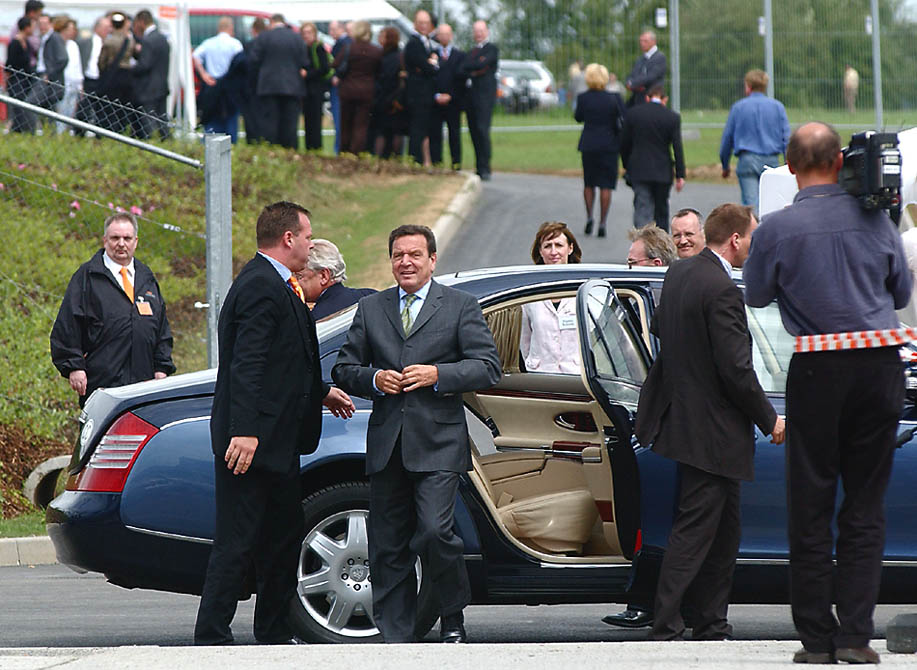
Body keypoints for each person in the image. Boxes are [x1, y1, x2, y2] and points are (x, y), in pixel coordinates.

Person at [743, 122, 912, 665]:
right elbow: (903, 290)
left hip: (817, 366)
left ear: (790, 167)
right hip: (880, 364)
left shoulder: (776, 228)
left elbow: (757, 292)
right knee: (865, 505)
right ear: (841, 163)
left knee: (810, 504)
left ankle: (816, 638)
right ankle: (857, 637)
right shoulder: (878, 218)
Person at [194, 201, 355, 645]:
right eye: (307, 235)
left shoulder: (281, 284)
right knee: (238, 540)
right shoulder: (261, 286)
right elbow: (248, 364)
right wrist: (244, 430)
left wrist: (321, 391)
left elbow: (284, 358)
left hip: (279, 442)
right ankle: (211, 635)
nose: (310, 242)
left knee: (281, 540)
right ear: (288, 239)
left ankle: (273, 632)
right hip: (251, 443)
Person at [332, 224, 501, 644]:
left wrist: (438, 374)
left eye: (414, 255)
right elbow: (344, 369)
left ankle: (452, 615)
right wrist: (374, 379)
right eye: (397, 255)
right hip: (388, 444)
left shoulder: (459, 306)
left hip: (439, 444)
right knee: (387, 544)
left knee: (434, 531)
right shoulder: (372, 309)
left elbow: (488, 367)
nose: (405, 262)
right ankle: (396, 634)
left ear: (432, 260)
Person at [637, 203, 785, 642]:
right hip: (715, 433)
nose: (753, 249)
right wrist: (769, 418)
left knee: (724, 532)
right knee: (696, 530)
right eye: (751, 240)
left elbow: (668, 335)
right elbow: (737, 369)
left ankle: (711, 620)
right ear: (735, 239)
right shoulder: (721, 287)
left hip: (689, 425)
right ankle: (665, 622)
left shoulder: (680, 274)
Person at [50, 213, 175, 407]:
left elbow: (161, 329)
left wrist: (161, 368)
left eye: (127, 238)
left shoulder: (146, 277)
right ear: (105, 240)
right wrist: (74, 367)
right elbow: (68, 325)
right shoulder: (88, 276)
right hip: (102, 384)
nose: (121, 244)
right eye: (115, 238)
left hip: (145, 384)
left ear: (136, 241)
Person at [719, 70, 790, 212]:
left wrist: (725, 164)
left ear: (748, 86)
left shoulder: (738, 107)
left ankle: (752, 232)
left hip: (747, 159)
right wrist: (788, 162)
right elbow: (786, 138)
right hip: (771, 160)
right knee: (771, 204)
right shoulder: (777, 107)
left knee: (750, 205)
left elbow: (727, 138)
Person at [620, 84, 685, 231]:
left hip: (639, 169)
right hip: (663, 171)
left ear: (647, 98)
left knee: (642, 208)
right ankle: (661, 245)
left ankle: (642, 243)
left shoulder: (633, 114)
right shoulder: (672, 117)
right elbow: (677, 147)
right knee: (661, 209)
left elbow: (624, 143)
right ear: (665, 99)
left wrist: (626, 164)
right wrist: (680, 174)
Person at [520, 222, 582, 374]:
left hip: (575, 374)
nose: (553, 252)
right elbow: (524, 339)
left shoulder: (582, 288)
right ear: (540, 251)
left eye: (559, 245)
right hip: (540, 375)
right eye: (548, 246)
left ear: (570, 248)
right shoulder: (529, 291)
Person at [574, 62, 625, 238]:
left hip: (589, 144)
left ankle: (589, 216)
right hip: (609, 144)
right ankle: (603, 222)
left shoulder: (583, 98)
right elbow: (622, 118)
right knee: (606, 185)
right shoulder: (614, 97)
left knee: (589, 183)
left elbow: (578, 117)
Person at [250, 14, 306, 150]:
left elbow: (254, 60)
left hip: (268, 86)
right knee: (290, 123)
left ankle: (271, 152)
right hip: (292, 87)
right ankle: (290, 152)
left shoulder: (264, 37)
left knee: (269, 123)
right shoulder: (296, 37)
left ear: (271, 22)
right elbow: (304, 62)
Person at [297, 239, 376, 320]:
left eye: (299, 277)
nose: (295, 283)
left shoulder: (314, 320)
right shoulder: (370, 296)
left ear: (324, 276)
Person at [193, 17, 244, 142]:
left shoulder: (208, 42)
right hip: (229, 86)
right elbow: (240, 62)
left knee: (211, 118)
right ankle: (231, 145)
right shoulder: (235, 44)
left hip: (212, 84)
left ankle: (209, 144)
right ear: (230, 28)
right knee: (230, 119)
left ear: (219, 28)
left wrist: (204, 74)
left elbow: (195, 56)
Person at [336, 20, 381, 154]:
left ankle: (344, 152)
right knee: (361, 126)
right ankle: (357, 153)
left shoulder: (349, 48)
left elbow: (336, 65)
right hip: (367, 92)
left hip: (348, 91)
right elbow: (379, 71)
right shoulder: (376, 51)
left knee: (346, 124)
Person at [463, 20, 498, 181]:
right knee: (474, 131)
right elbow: (465, 67)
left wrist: (474, 67)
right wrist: (475, 68)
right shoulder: (471, 52)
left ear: (487, 32)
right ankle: (478, 165)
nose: (478, 34)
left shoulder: (492, 49)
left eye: (481, 31)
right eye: (476, 31)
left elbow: (483, 64)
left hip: (485, 97)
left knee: (483, 130)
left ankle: (485, 166)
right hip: (471, 98)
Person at [404, 10, 438, 168]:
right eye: (421, 23)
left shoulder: (428, 42)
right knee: (417, 129)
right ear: (415, 24)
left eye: (426, 23)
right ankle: (415, 161)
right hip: (417, 95)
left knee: (424, 128)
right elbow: (424, 67)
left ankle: (425, 160)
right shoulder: (413, 44)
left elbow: (428, 66)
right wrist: (430, 64)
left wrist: (429, 65)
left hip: (426, 94)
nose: (424, 26)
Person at [22, 13, 67, 132]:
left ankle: (30, 132)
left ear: (51, 24)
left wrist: (49, 74)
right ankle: (49, 135)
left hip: (47, 78)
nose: (42, 26)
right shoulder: (44, 38)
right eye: (40, 24)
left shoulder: (54, 37)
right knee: (48, 109)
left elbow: (63, 59)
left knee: (29, 103)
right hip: (41, 75)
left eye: (45, 24)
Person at [131, 9, 170, 140]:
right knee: (162, 120)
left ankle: (149, 145)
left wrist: (130, 68)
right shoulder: (162, 38)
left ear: (141, 22)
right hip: (162, 86)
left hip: (148, 88)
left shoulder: (148, 40)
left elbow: (145, 65)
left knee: (147, 123)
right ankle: (167, 142)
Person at [430, 23, 464, 170]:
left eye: (447, 34)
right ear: (437, 36)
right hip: (436, 102)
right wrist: (436, 95)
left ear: (451, 36)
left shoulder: (460, 56)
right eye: (441, 34)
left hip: (453, 102)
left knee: (454, 134)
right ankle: (436, 164)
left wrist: (451, 95)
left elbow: (461, 80)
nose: (444, 37)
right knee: (435, 134)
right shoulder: (431, 54)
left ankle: (456, 164)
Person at [97, 12, 136, 134]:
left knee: (110, 106)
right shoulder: (129, 41)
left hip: (112, 75)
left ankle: (110, 130)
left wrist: (104, 72)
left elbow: (101, 61)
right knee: (124, 106)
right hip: (127, 75)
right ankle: (122, 130)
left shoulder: (109, 41)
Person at [373, 26, 408, 159]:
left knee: (383, 132)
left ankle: (382, 159)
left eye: (382, 36)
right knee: (395, 133)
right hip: (395, 100)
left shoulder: (385, 57)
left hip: (387, 99)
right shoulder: (399, 56)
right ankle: (395, 159)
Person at [74, 15, 111, 132]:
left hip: (102, 80)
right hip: (89, 78)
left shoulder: (110, 43)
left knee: (101, 108)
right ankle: (80, 131)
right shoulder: (86, 42)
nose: (107, 30)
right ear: (97, 28)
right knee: (84, 107)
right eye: (105, 27)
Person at [299, 22, 330, 152]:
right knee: (307, 119)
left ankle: (316, 146)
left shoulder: (318, 48)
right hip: (305, 89)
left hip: (316, 88)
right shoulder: (303, 48)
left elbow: (324, 68)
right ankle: (309, 146)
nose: (306, 36)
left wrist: (308, 74)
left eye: (309, 33)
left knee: (315, 119)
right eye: (304, 33)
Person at [5, 17, 35, 133]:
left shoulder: (27, 42)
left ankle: (23, 129)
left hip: (25, 79)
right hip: (16, 79)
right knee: (17, 107)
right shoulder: (15, 43)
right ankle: (16, 130)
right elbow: (10, 63)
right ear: (26, 28)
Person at [241, 18, 266, 144]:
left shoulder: (248, 45)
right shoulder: (268, 45)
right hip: (266, 87)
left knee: (251, 118)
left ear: (253, 30)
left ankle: (252, 141)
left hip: (250, 87)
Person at [625, 30, 666, 107]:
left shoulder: (660, 58)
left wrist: (634, 83)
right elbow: (633, 74)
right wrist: (628, 83)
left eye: (645, 41)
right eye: (641, 41)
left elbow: (651, 76)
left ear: (653, 42)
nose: (642, 43)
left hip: (651, 97)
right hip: (638, 97)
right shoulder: (641, 59)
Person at [55, 18, 81, 134]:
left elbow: (77, 65)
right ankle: (59, 133)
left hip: (74, 83)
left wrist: (80, 83)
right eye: (70, 29)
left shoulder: (73, 45)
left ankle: (66, 132)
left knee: (70, 111)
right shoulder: (57, 43)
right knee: (61, 110)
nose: (72, 31)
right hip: (62, 83)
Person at [328, 20, 350, 155]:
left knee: (339, 119)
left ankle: (339, 149)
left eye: (333, 29)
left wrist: (337, 75)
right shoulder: (342, 43)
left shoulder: (343, 44)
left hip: (340, 87)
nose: (330, 33)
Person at [8, 0, 43, 70]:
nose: (39, 17)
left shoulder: (37, 25)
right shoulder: (18, 27)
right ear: (32, 13)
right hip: (22, 67)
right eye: (39, 14)